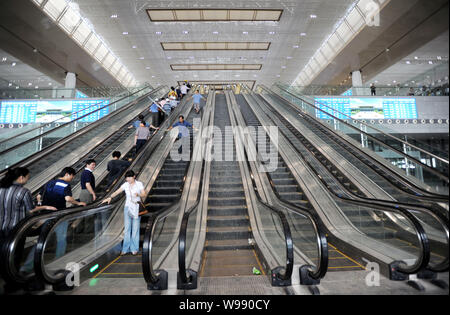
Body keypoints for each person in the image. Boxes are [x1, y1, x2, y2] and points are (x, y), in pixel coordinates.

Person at [37, 167, 86, 258]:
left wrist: (42, 204)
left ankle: (28, 265)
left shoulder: (49, 183)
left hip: (45, 214)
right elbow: (68, 199)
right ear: (67, 174)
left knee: (42, 240)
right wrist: (78, 203)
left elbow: (38, 196)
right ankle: (59, 259)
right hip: (59, 214)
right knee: (61, 238)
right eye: (72, 176)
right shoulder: (65, 185)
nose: (72, 179)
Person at [1, 168, 56, 238]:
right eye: (27, 177)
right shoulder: (23, 191)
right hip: (16, 228)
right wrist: (46, 207)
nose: (27, 180)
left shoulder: (1, 189)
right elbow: (31, 209)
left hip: (1, 227)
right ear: (21, 177)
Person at [102, 170, 147, 256]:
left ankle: (134, 249)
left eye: (130, 177)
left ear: (134, 176)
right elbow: (117, 192)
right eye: (127, 178)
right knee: (127, 229)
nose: (128, 179)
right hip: (127, 208)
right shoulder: (125, 185)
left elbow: (144, 194)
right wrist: (110, 198)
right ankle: (125, 249)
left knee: (135, 229)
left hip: (137, 208)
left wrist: (138, 195)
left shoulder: (139, 184)